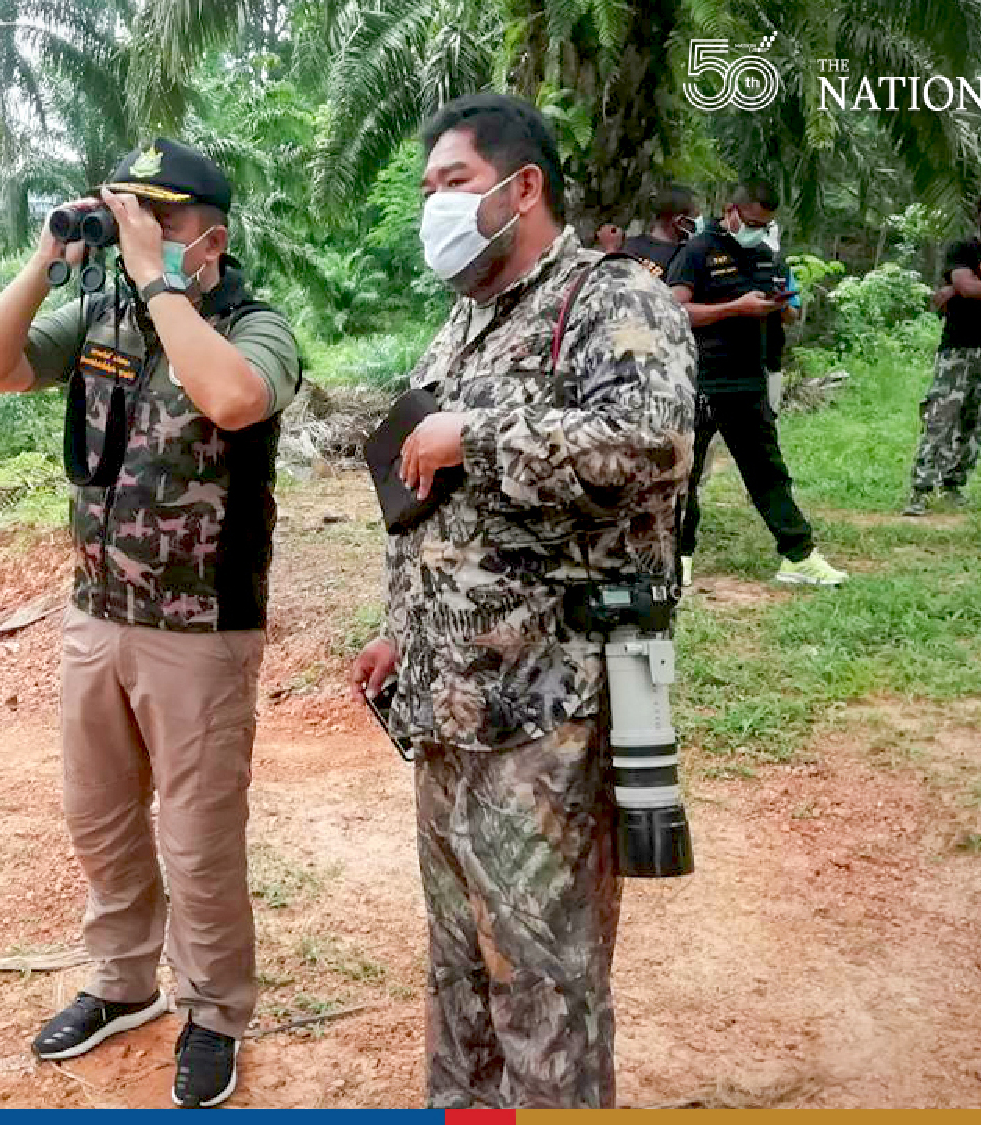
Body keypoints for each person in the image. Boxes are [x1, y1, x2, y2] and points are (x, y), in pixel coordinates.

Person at [348, 93, 696, 1108]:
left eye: (451, 184)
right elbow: (431, 508)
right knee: (458, 961)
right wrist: (395, 633)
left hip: (557, 704)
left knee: (544, 974)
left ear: (521, 186)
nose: (435, 207)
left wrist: (479, 433)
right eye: (427, 191)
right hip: (450, 701)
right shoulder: (463, 320)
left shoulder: (609, 299)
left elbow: (654, 444)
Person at [0, 137, 302, 1108]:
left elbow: (233, 398)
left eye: (163, 218)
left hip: (201, 628)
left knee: (197, 837)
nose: (141, 234)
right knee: (100, 818)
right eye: (128, 215)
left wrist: (158, 282)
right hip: (97, 612)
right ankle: (121, 984)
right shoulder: (100, 313)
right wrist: (46, 259)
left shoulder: (253, 323)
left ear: (211, 237)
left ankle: (215, 1012)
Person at [665, 182, 847, 587]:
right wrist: (735, 308)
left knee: (767, 471)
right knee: (684, 474)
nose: (757, 230)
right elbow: (673, 311)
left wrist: (784, 308)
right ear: (730, 211)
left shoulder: (766, 255)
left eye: (765, 225)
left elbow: (792, 305)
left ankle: (798, 556)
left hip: (748, 381)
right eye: (751, 222)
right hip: (700, 381)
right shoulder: (697, 251)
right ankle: (678, 557)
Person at [904, 190, 981, 515]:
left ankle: (953, 484)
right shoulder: (962, 249)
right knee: (940, 416)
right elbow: (970, 287)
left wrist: (968, 291)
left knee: (979, 419)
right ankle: (920, 490)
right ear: (979, 213)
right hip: (957, 347)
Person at [613, 184, 700, 279]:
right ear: (680, 221)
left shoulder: (628, 246)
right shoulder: (687, 258)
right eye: (694, 216)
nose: (698, 222)